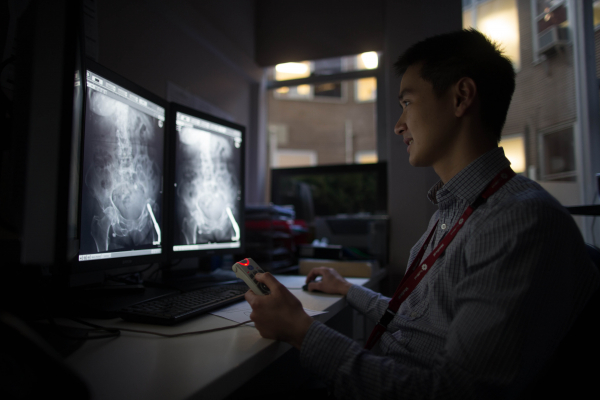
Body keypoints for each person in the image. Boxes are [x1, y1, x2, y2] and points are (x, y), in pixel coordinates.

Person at [244, 29, 600, 399]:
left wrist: (300, 330)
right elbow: (422, 322)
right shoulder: (454, 210)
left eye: (408, 103)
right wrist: (346, 288)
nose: (399, 124)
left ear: (461, 97)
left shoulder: (513, 222)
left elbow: (453, 392)